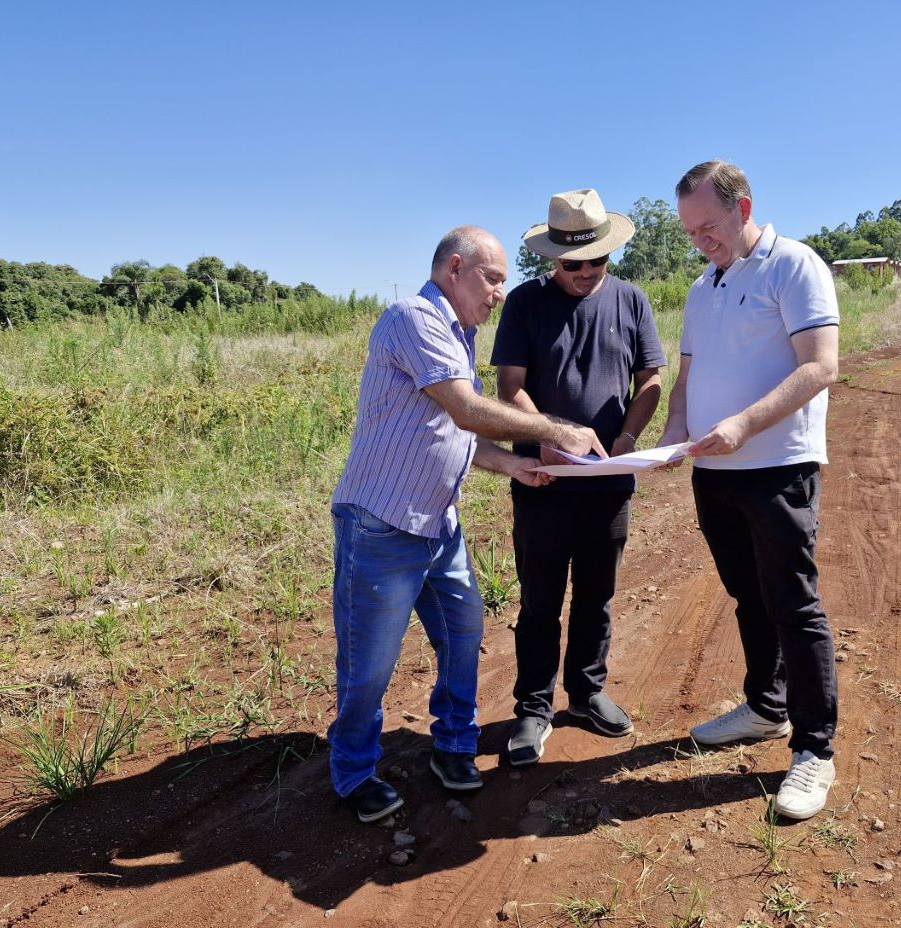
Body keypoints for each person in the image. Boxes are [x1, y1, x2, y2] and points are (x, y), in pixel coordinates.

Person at [329, 226, 606, 823]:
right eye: (493, 278)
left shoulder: (461, 333)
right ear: (456, 268)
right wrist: (559, 432)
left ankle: (453, 745)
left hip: (437, 524)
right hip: (381, 525)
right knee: (369, 661)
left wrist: (514, 465)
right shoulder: (412, 318)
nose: (500, 292)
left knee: (461, 633)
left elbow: (452, 433)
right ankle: (353, 771)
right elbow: (466, 408)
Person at [657, 161, 841, 820]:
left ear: (743, 208)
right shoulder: (703, 287)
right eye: (690, 230)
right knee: (747, 596)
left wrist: (741, 424)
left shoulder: (794, 266)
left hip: (777, 466)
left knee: (794, 604)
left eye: (707, 225)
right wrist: (675, 432)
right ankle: (767, 708)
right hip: (715, 475)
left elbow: (820, 364)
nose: (698, 239)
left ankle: (814, 750)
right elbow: (687, 376)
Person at [491, 189, 666, 766]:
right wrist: (548, 435)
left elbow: (650, 379)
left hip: (609, 482)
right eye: (573, 264)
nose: (587, 273)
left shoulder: (632, 301)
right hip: (542, 479)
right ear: (552, 259)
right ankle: (533, 708)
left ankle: (587, 692)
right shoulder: (523, 304)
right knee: (541, 599)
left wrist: (628, 439)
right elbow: (509, 387)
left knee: (597, 594)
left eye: (597, 261)